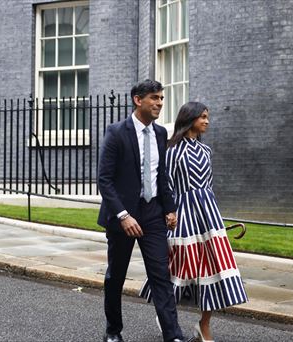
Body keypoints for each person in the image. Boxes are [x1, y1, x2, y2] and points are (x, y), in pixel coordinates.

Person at [140, 102, 248, 342]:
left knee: (215, 267)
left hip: (208, 216)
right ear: (190, 119)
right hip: (181, 216)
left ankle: (204, 325)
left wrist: (214, 215)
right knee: (179, 268)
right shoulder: (171, 151)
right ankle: (167, 315)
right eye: (203, 117)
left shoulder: (206, 151)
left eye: (208, 117)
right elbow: (164, 186)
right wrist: (168, 212)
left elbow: (208, 187)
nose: (207, 121)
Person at [97, 79, 188, 342]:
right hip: (123, 216)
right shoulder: (116, 132)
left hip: (152, 213)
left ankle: (173, 336)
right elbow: (105, 180)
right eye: (155, 98)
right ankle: (113, 331)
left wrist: (169, 208)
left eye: (161, 98)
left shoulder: (160, 133)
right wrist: (123, 215)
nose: (160, 102)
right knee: (116, 277)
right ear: (139, 100)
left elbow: (161, 176)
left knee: (161, 276)